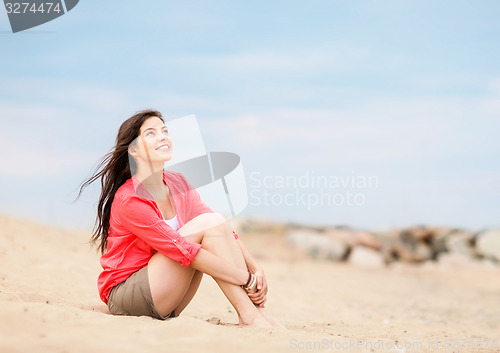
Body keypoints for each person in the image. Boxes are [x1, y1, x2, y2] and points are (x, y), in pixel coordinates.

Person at [78, 109, 284, 328]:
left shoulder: (178, 182)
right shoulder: (130, 198)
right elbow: (184, 251)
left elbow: (221, 229)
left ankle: (256, 313)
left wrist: (256, 268)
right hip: (129, 294)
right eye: (151, 133)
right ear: (134, 150)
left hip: (168, 293)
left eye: (164, 130)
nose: (163, 136)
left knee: (213, 222)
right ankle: (250, 317)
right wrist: (245, 278)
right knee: (207, 226)